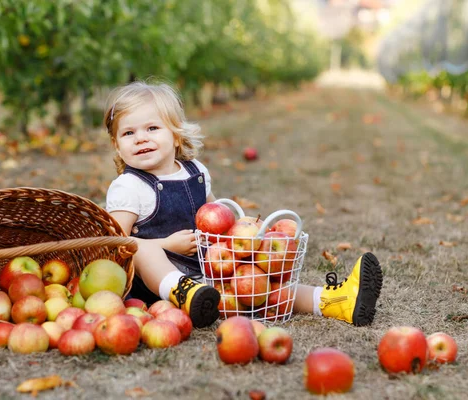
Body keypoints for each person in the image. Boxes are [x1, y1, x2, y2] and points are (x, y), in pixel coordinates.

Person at [103, 80, 383, 329]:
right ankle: (183, 292)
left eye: (152, 128)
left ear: (175, 135)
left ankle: (334, 301)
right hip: (155, 287)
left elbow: (218, 221)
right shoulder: (130, 187)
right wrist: (166, 245)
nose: (140, 138)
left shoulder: (194, 171)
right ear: (117, 146)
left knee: (267, 287)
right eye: (128, 133)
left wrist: (249, 238)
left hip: (209, 274)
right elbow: (113, 244)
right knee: (140, 251)